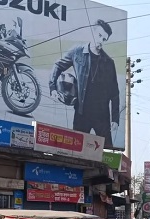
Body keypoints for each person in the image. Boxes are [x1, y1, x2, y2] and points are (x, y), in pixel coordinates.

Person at [49, 19, 119, 148]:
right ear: (92, 33)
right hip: (81, 113)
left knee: (107, 153)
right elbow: (58, 65)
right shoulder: (77, 52)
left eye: (104, 39)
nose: (100, 41)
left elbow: (114, 93)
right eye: (99, 36)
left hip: (102, 116)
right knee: (75, 150)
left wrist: (115, 119)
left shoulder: (109, 62)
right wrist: (52, 87)